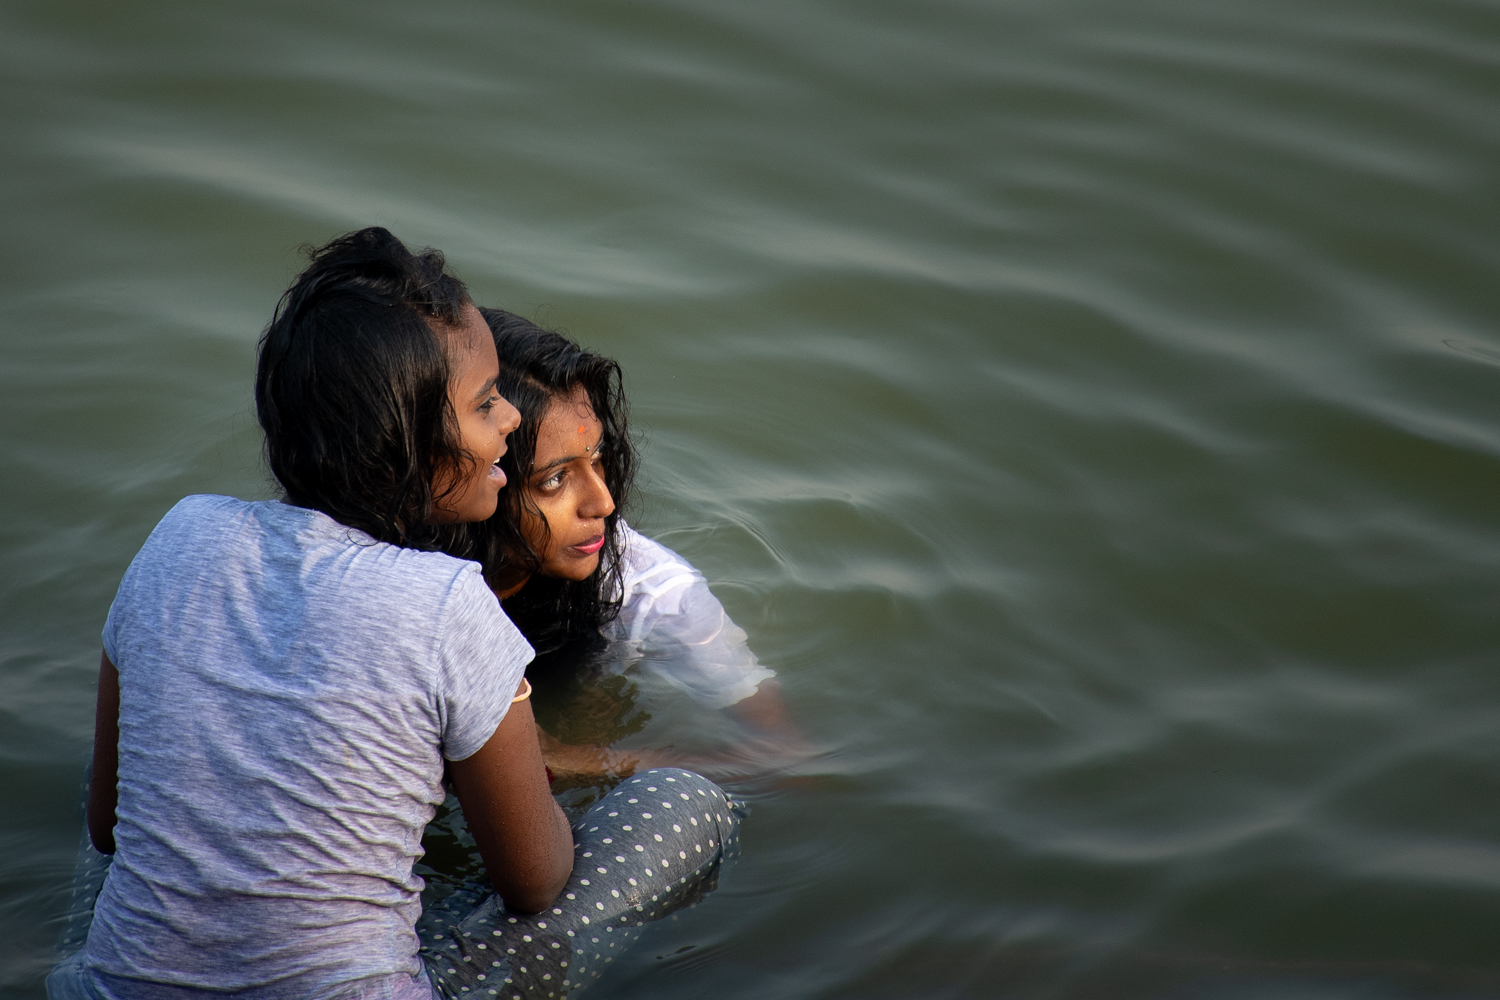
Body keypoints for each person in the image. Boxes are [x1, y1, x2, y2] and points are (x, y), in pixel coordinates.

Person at [47, 229, 741, 1000]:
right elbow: (535, 882)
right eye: (485, 404)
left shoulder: (178, 535)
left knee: (142, 751)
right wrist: (542, 759)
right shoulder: (450, 601)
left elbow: (107, 824)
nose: (511, 420)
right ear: (407, 444)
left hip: (108, 992)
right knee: (684, 806)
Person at [460, 309, 799, 786]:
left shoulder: (654, 595)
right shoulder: (403, 564)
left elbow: (783, 757)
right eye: (554, 480)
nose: (603, 502)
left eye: (598, 458)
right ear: (477, 472)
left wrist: (576, 760)